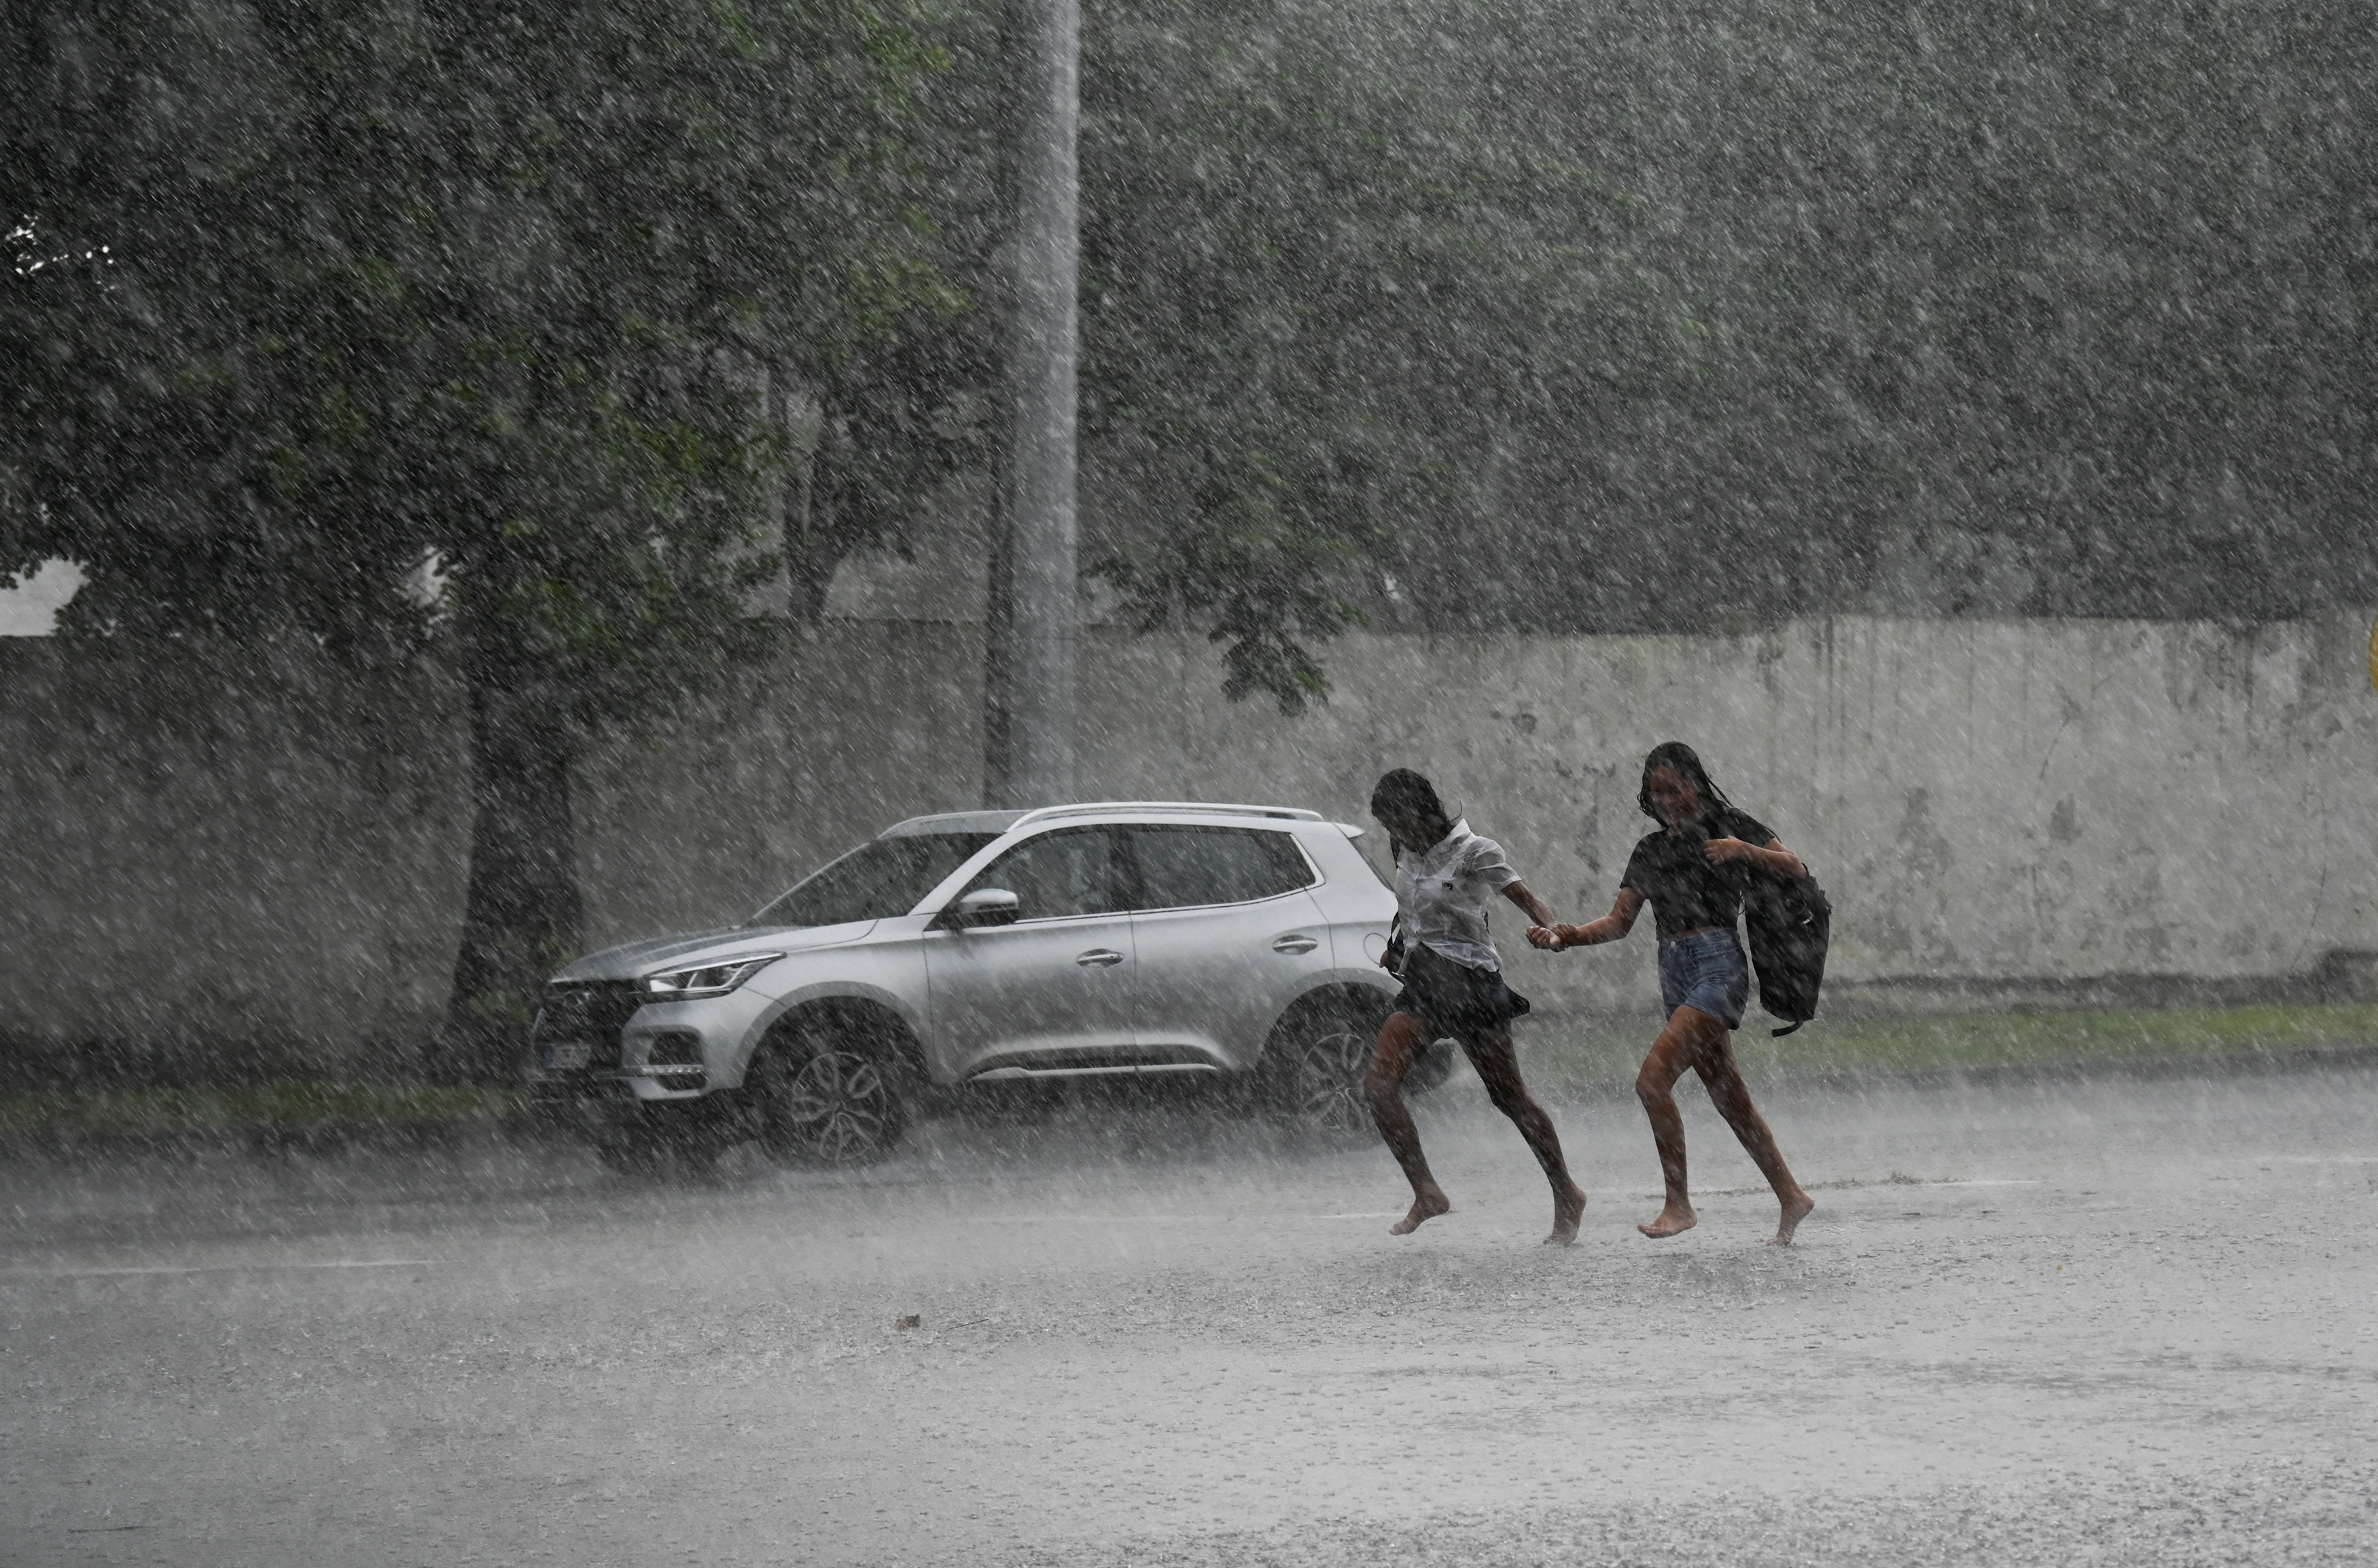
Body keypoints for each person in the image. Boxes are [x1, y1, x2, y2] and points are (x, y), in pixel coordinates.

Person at [1527, 743, 1817, 1245]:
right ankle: (1791, 1195)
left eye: (1674, 788)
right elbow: (1619, 923)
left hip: (1717, 966)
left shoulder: (1730, 824)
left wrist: (1743, 849)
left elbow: (1794, 866)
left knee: (1651, 1082)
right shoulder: (1651, 849)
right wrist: (1567, 936)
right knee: (1732, 1101)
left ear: (1696, 784)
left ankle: (1678, 1204)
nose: (1665, 799)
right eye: (1656, 791)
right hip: (1674, 971)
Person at [1364, 768, 1588, 1245]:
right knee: (1380, 1086)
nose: (1395, 834)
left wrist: (1552, 930)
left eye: (1398, 822)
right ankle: (1427, 1192)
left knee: (1509, 1098)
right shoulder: (1404, 849)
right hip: (1426, 981)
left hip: (1471, 983)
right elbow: (1410, 910)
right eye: (1388, 826)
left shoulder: (1475, 851)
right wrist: (1398, 948)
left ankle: (1566, 1193)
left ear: (1423, 810)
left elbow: (1526, 899)